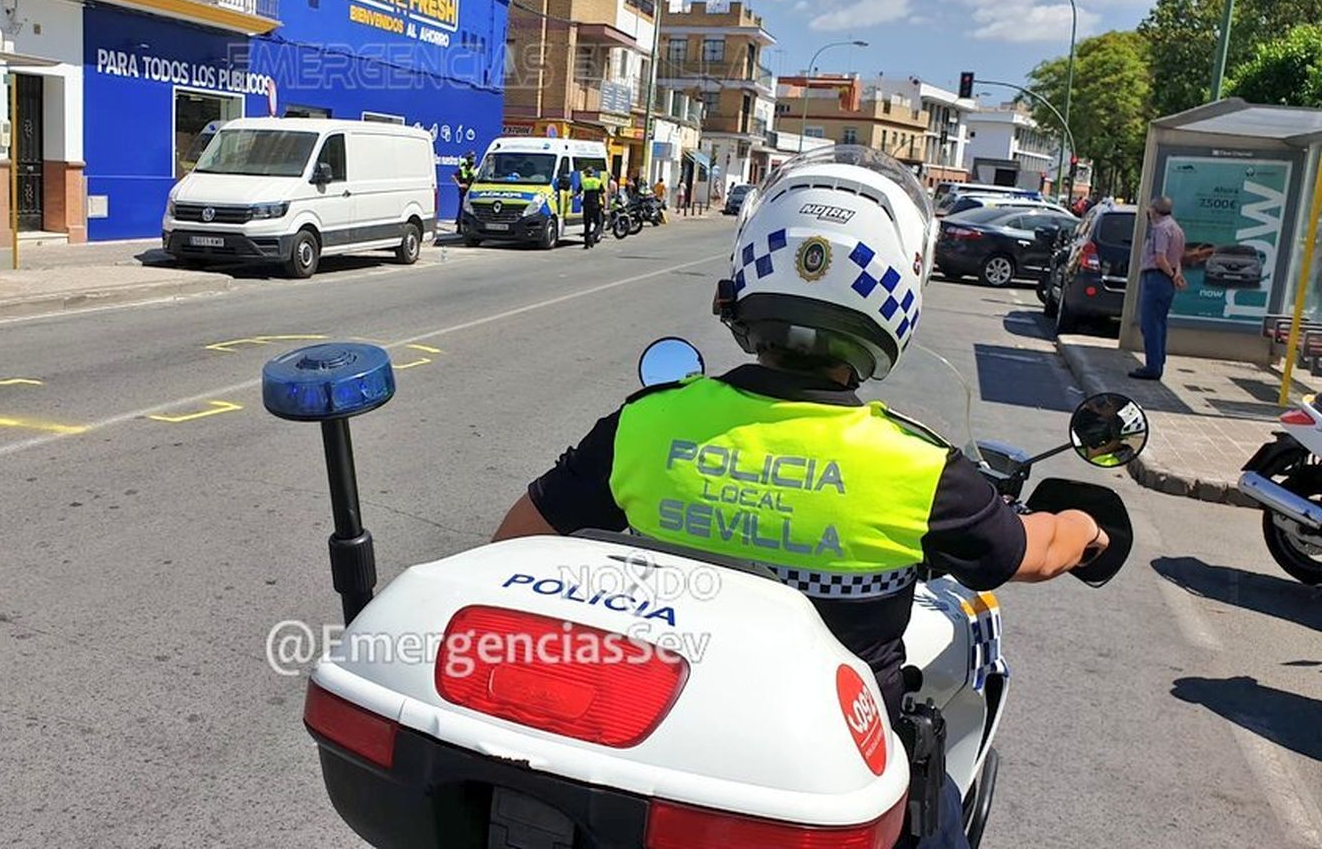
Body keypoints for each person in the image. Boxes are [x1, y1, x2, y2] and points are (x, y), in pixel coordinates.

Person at [493, 145, 1112, 849]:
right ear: (896, 301)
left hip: (654, 750)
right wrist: (1084, 525)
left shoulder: (644, 423)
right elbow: (1033, 553)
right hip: (827, 781)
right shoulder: (920, 469)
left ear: (750, 275)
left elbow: (512, 546)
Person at [1132, 195, 1186, 381]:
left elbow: (1160, 258)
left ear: (1155, 210)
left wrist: (1171, 275)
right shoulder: (1176, 229)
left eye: (1150, 209)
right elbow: (1176, 259)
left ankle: (1152, 367)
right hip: (1167, 279)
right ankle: (1158, 362)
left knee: (1150, 324)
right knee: (1160, 323)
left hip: (1157, 278)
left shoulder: (1161, 229)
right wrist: (1176, 275)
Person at [579, 166, 604, 247]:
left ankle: (586, 244)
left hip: (586, 205)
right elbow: (603, 193)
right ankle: (593, 237)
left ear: (586, 174)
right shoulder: (597, 181)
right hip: (596, 205)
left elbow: (577, 192)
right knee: (598, 223)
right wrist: (604, 204)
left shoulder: (584, 182)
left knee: (587, 225)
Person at [454, 152, 477, 227]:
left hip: (471, 192)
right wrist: (460, 185)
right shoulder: (462, 169)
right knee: (462, 208)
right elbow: (454, 176)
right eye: (471, 158)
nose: (472, 160)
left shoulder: (474, 169)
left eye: (473, 158)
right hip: (463, 192)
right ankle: (459, 225)